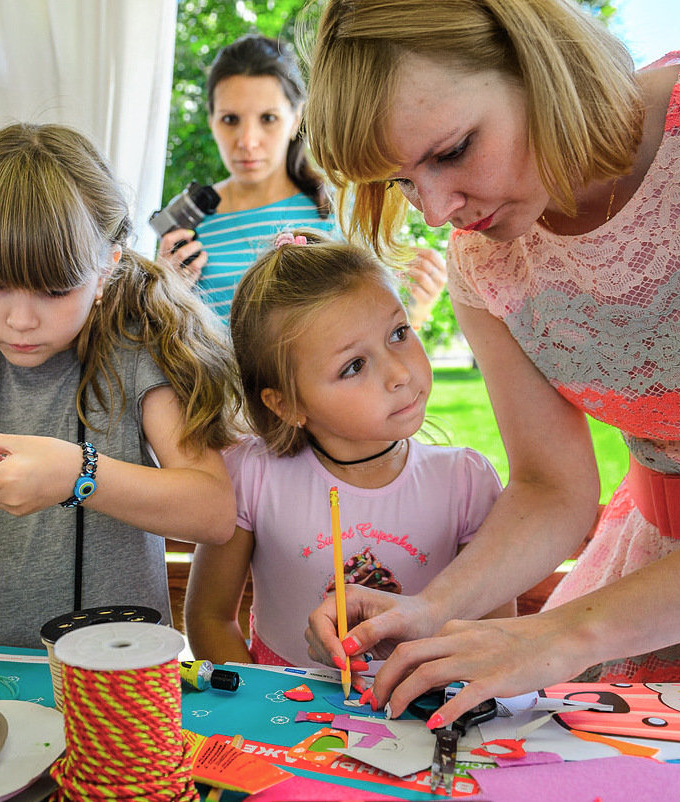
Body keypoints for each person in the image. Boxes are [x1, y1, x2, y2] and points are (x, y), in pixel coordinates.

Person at [301, 0, 680, 725]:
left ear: (535, 59)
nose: (437, 208)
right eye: (401, 181)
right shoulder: (483, 256)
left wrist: (564, 633)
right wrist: (432, 608)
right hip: (649, 574)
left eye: (451, 151)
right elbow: (552, 488)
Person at [0, 122, 239, 648]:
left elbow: (213, 510)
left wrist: (77, 475)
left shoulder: (139, 356)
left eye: (54, 289)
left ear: (106, 270)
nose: (20, 320)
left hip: (122, 685)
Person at [185, 231, 510, 671]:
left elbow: (492, 637)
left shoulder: (466, 482)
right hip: (283, 717)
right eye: (353, 366)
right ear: (286, 403)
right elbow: (210, 617)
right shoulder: (252, 475)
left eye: (399, 332)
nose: (399, 372)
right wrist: (259, 707)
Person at [156, 33, 341, 322]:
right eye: (230, 119)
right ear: (212, 121)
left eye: (268, 118)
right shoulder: (188, 223)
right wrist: (165, 292)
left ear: (295, 119)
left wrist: (416, 307)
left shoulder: (334, 209)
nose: (247, 141)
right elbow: (170, 338)